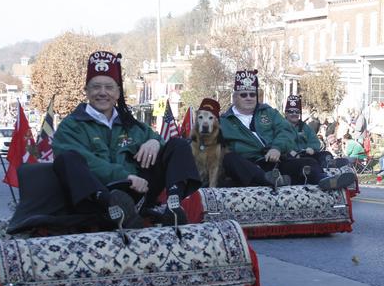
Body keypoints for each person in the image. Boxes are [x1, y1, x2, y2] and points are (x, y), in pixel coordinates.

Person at [52, 50, 200, 228]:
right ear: (86, 91)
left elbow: (156, 139)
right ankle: (116, 210)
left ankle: (173, 205)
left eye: (109, 87)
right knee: (67, 158)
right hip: (99, 199)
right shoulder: (71, 126)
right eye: (96, 87)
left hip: (139, 192)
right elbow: (85, 161)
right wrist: (125, 177)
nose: (102, 92)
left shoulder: (130, 123)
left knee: (178, 145)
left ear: (118, 92)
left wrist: (155, 142)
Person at [220, 71, 354, 191]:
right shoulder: (223, 121)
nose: (249, 98)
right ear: (235, 97)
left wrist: (277, 148)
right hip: (249, 164)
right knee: (230, 159)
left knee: (308, 162)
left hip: (276, 161)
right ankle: (268, 180)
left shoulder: (268, 112)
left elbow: (286, 130)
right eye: (244, 94)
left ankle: (325, 180)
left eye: (252, 94)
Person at [283, 95, 335, 171]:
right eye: (291, 111)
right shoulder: (280, 126)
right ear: (286, 113)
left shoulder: (305, 127)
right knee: (310, 162)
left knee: (326, 155)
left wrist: (311, 148)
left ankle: (331, 172)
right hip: (289, 157)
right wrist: (290, 151)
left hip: (305, 154)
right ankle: (322, 178)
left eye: (297, 111)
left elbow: (315, 141)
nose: (294, 114)